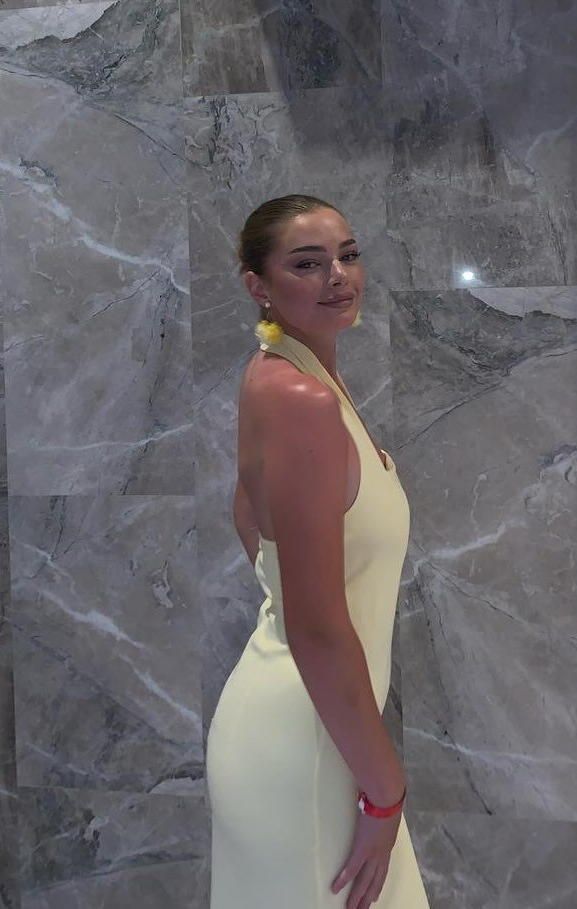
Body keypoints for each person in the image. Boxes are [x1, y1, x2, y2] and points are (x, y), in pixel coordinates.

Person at [206, 194, 431, 909]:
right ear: (258, 285)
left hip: (323, 734)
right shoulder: (299, 398)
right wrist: (385, 792)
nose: (338, 275)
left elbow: (246, 510)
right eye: (307, 263)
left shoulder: (287, 376)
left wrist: (282, 582)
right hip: (306, 749)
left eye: (348, 255)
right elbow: (317, 627)